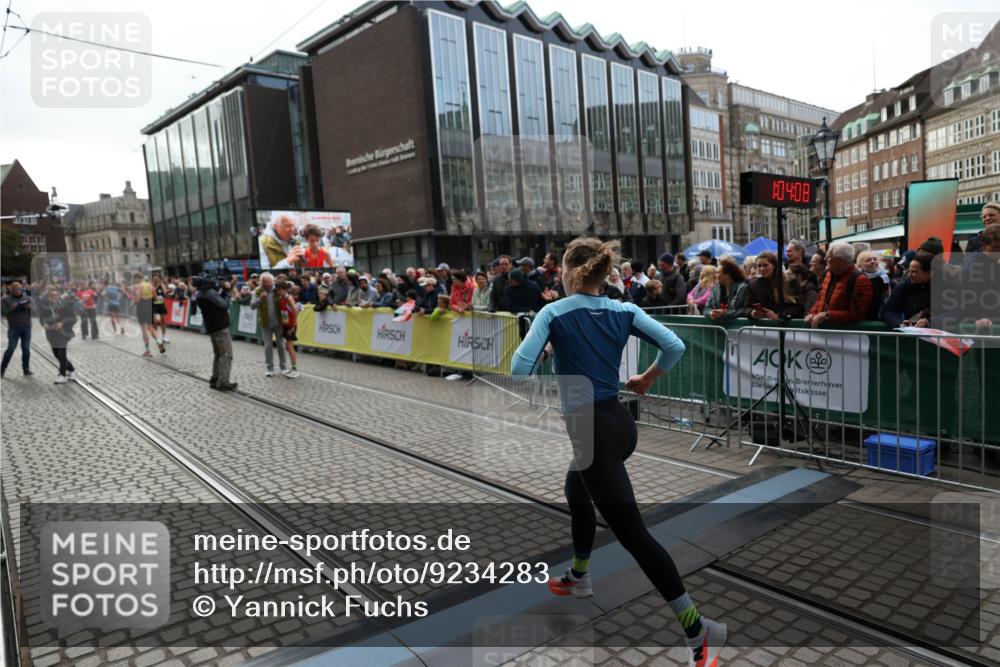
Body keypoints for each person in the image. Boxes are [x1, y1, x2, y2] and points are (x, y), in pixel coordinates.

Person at [511, 237, 726, 667]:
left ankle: (699, 629)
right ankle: (579, 575)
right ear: (605, 272)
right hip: (619, 424)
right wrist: (646, 378)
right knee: (576, 489)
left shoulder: (553, 312)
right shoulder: (623, 309)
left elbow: (519, 370)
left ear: (569, 273)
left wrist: (551, 351)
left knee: (634, 535)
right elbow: (675, 346)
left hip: (592, 432)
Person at [806, 241, 874, 328]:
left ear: (840, 260)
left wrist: (827, 315)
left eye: (829, 256)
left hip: (845, 336)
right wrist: (812, 313)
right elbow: (820, 299)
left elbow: (858, 314)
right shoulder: (828, 274)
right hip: (824, 334)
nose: (826, 259)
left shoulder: (860, 280)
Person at [193, 274, 237, 391]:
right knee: (226, 354)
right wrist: (227, 291)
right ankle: (223, 382)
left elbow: (217, 301)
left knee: (218, 354)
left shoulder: (200, 293)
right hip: (220, 327)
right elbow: (224, 305)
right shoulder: (210, 293)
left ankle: (215, 379)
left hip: (211, 327)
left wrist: (225, 289)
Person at [250, 272, 289, 377]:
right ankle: (269, 368)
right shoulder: (257, 291)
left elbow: (287, 297)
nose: (266, 284)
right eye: (264, 282)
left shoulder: (277, 290)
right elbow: (252, 306)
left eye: (268, 282)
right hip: (265, 322)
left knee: (281, 345)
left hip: (279, 322)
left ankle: (283, 367)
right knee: (268, 346)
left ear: (272, 281)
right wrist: (260, 299)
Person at [881, 251, 933, 329]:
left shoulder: (945, 288)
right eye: (909, 270)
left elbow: (954, 314)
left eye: (914, 272)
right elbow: (887, 311)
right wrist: (900, 323)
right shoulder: (905, 285)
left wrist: (928, 321)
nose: (909, 274)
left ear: (929, 273)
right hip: (912, 336)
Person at [747, 251, 803, 320]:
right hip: (762, 327)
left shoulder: (791, 281)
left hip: (786, 327)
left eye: (765, 265)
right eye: (759, 266)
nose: (762, 269)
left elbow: (799, 307)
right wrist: (752, 312)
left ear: (774, 265)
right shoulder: (754, 284)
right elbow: (747, 307)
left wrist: (779, 315)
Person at [39, 287, 77, 384]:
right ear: (48, 297)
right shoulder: (45, 307)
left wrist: (62, 323)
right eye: (52, 296)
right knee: (57, 354)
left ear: (59, 296)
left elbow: (73, 318)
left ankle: (62, 375)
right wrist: (44, 324)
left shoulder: (65, 305)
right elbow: (41, 318)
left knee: (61, 353)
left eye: (56, 295)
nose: (54, 297)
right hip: (51, 333)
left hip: (63, 333)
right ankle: (71, 369)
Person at [1, 281, 33, 378]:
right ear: (12, 290)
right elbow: (3, 312)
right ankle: (2, 368)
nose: (19, 291)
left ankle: (26, 368)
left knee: (26, 349)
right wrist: (12, 308)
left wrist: (30, 307)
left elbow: (35, 312)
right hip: (14, 327)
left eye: (20, 289)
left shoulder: (27, 298)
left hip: (26, 326)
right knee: (11, 348)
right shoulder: (5, 300)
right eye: (16, 290)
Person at [133, 274, 165, 356]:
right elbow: (155, 297)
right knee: (151, 327)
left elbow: (137, 299)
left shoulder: (138, 286)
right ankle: (158, 340)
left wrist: (132, 305)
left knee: (144, 329)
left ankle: (148, 350)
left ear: (137, 278)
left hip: (141, 306)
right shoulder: (149, 285)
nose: (134, 281)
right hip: (149, 306)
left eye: (134, 279)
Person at [274, 281, 300, 378]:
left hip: (291, 325)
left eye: (279, 290)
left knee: (290, 346)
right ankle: (292, 368)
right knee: (288, 346)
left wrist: (293, 326)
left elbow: (295, 311)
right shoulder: (280, 297)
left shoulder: (289, 298)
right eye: (277, 290)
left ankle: (295, 369)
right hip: (285, 324)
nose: (278, 292)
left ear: (283, 290)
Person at [856, 250, 891, 315]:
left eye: (875, 259)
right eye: (868, 260)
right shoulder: (856, 278)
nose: (873, 261)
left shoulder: (884, 277)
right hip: (863, 315)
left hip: (881, 314)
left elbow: (887, 296)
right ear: (860, 265)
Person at [151, 274, 170, 344]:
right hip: (153, 305)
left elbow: (165, 294)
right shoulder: (151, 286)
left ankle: (164, 337)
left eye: (157, 278)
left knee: (163, 320)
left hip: (161, 304)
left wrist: (169, 291)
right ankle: (157, 338)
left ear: (159, 279)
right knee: (155, 321)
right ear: (152, 279)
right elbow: (151, 293)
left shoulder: (162, 285)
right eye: (154, 279)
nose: (156, 280)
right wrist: (156, 288)